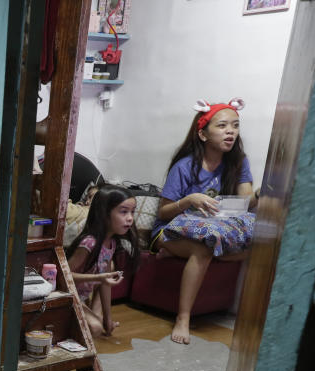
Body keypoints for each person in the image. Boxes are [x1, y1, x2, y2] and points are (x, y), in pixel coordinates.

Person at [153, 98, 257, 344]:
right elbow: (163, 213)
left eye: (235, 125)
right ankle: (183, 318)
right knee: (203, 248)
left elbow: (246, 205)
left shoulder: (239, 162)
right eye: (222, 126)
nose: (230, 131)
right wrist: (189, 200)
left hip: (212, 228)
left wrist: (263, 194)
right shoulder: (184, 166)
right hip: (169, 230)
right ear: (202, 133)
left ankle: (177, 254)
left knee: (261, 238)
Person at [66, 184, 139, 337]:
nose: (130, 218)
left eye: (132, 212)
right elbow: (65, 277)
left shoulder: (111, 243)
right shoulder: (89, 243)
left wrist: (108, 319)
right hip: (68, 295)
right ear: (104, 214)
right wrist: (99, 277)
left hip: (83, 296)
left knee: (99, 326)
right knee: (95, 328)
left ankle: (92, 317)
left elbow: (106, 284)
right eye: (124, 212)